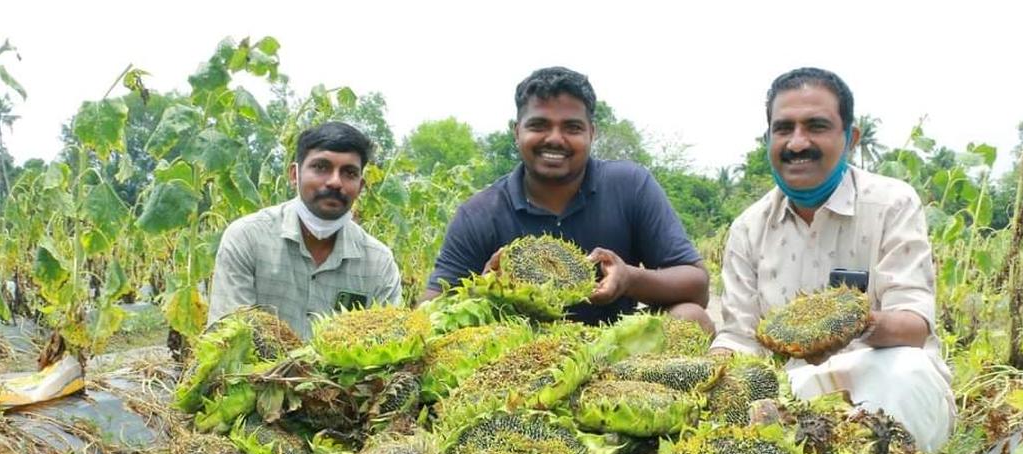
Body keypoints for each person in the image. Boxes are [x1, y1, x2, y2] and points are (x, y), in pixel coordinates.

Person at [710, 67, 954, 452]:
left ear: (850, 138)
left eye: (816, 126)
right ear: (768, 138)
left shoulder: (891, 203)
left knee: (907, 373)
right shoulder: (748, 228)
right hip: (794, 391)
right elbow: (740, 337)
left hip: (879, 376)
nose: (797, 143)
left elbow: (913, 325)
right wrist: (710, 366)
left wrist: (848, 325)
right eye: (783, 128)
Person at [422, 66, 712, 332]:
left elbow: (697, 287)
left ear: (592, 133)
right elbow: (430, 310)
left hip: (617, 353)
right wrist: (484, 290)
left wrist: (629, 279)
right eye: (539, 125)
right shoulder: (480, 212)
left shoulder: (630, 186)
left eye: (572, 128)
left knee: (691, 317)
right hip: (514, 359)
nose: (555, 139)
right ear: (517, 132)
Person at [207, 122, 402, 339]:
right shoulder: (248, 237)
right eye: (321, 167)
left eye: (349, 173)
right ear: (294, 174)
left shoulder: (378, 263)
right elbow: (227, 340)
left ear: (361, 186)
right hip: (252, 374)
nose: (335, 182)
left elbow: (388, 350)